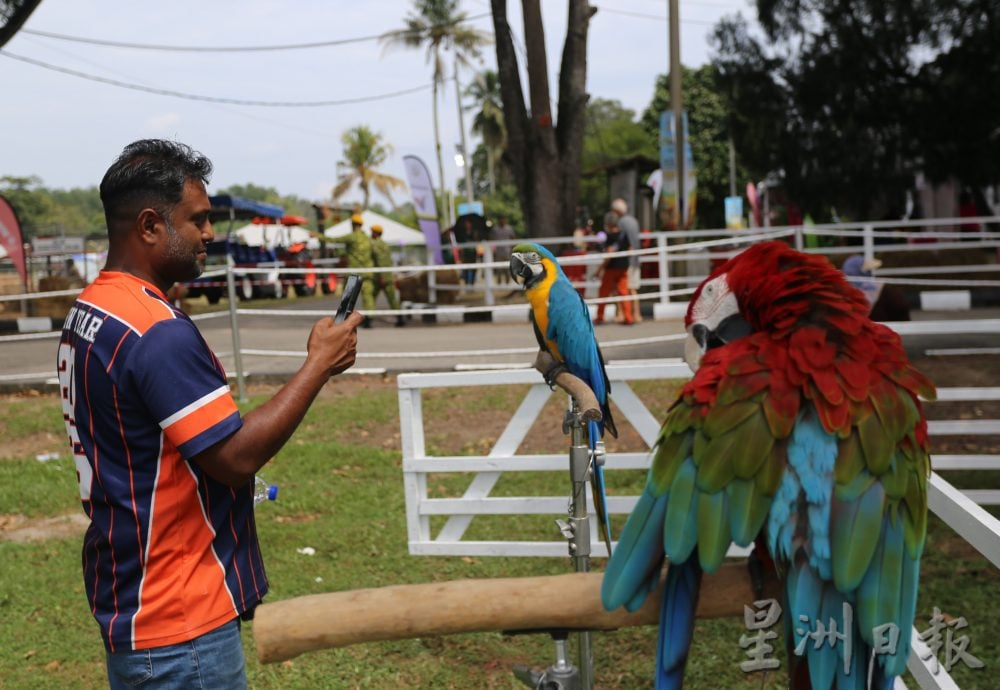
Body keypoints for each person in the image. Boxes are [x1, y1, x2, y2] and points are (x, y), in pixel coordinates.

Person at [56, 139, 362, 690]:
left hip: (135, 597)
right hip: (180, 623)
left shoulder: (91, 310)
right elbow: (235, 458)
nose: (210, 234)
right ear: (150, 226)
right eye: (197, 220)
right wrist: (319, 365)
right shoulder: (155, 331)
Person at [594, 211, 634, 325]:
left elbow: (609, 255)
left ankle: (600, 317)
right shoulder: (624, 234)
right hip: (623, 268)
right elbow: (630, 249)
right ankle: (628, 317)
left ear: (608, 224)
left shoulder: (608, 237)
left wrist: (599, 270)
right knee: (624, 293)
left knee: (603, 293)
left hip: (611, 269)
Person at [611, 198, 642, 323]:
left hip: (626, 261)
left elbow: (621, 241)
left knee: (621, 289)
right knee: (633, 289)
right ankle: (637, 314)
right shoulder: (634, 221)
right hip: (636, 259)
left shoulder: (621, 222)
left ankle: (622, 314)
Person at [341, 213, 375, 327]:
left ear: (353, 224)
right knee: (367, 297)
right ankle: (369, 320)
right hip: (367, 273)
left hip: (353, 273)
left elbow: (333, 239)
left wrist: (317, 235)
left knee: (348, 297)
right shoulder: (367, 238)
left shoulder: (352, 237)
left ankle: (344, 319)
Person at [370, 223, 405, 327]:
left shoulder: (376, 244)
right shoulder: (385, 244)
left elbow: (381, 261)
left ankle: (368, 320)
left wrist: (382, 276)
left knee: (371, 298)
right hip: (387, 276)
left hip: (381, 277)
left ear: (376, 233)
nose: (371, 233)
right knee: (392, 298)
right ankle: (400, 319)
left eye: (372, 231)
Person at [489, 215, 516, 284]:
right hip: (498, 252)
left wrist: (513, 249)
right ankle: (499, 282)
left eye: (503, 219)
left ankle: (507, 282)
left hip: (507, 251)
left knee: (507, 268)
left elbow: (513, 238)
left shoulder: (509, 228)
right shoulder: (495, 229)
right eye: (500, 219)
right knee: (499, 269)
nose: (502, 221)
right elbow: (491, 239)